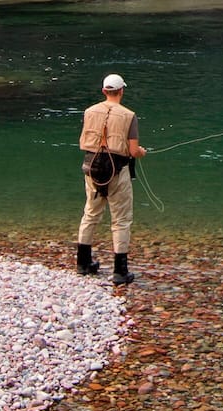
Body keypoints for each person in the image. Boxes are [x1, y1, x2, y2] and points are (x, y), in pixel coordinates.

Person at [75, 73, 147, 285]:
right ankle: (120, 272)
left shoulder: (89, 111)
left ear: (104, 91)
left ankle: (83, 264)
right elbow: (133, 151)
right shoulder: (129, 115)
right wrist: (141, 152)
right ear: (121, 91)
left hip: (91, 168)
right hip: (118, 170)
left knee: (90, 214)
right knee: (121, 220)